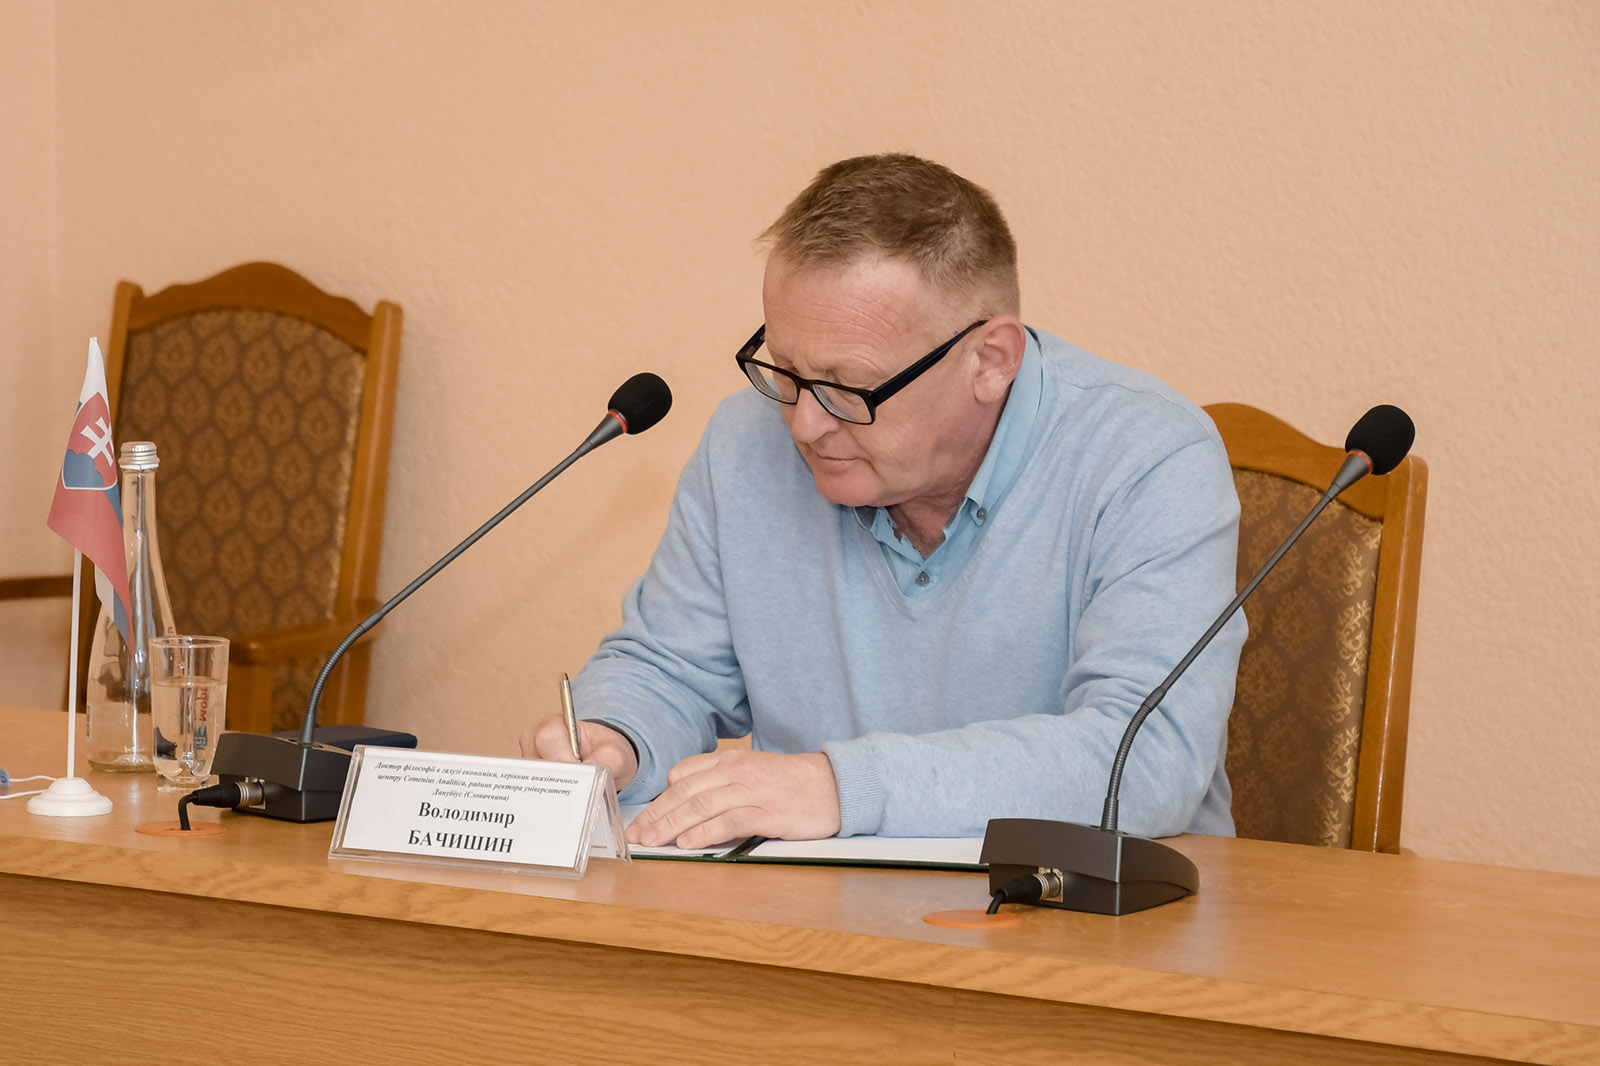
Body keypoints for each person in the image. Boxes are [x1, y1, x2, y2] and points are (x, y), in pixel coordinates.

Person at [521, 154, 1245, 851]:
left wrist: (843, 788)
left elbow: (1146, 760)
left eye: (849, 387)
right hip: (809, 916)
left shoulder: (1148, 457)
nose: (805, 424)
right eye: (785, 370)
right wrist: (614, 733)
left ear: (990, 361)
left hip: (1094, 921)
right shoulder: (745, 442)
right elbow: (668, 669)